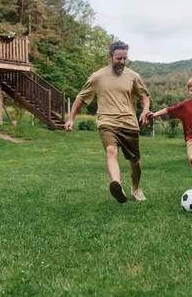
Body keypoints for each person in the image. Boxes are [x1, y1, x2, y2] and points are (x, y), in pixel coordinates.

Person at [64, 40, 151, 203]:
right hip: (107, 121)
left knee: (136, 161)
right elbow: (81, 98)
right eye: (119, 58)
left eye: (125, 58)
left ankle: (135, 189)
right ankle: (116, 183)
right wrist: (70, 118)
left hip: (129, 123)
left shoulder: (133, 76)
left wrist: (145, 109)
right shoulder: (98, 77)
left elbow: (144, 95)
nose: (123, 62)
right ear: (110, 57)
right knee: (111, 151)